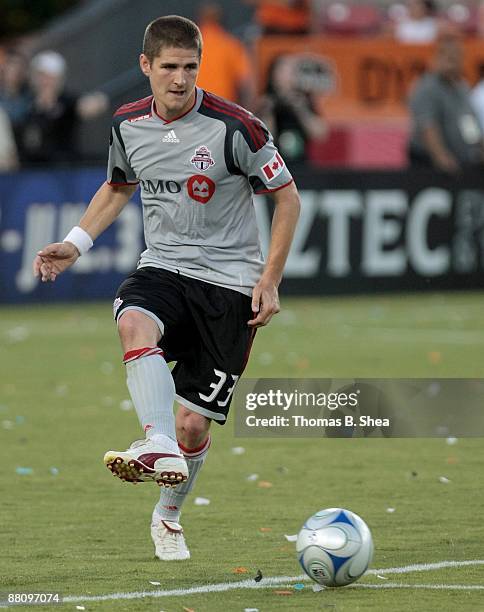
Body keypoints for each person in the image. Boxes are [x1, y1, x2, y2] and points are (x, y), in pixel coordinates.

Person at [33, 15, 300, 561]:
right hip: (165, 266)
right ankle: (155, 442)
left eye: (190, 68)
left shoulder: (237, 128)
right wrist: (75, 243)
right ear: (145, 67)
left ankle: (169, 513)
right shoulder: (128, 124)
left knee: (193, 426)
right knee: (133, 318)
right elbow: (118, 185)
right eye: (169, 68)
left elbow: (287, 196)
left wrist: (269, 279)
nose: (180, 80)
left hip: (229, 287)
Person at [407, 34, 484, 172]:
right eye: (448, 58)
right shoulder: (426, 88)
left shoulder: (462, 87)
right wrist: (440, 155)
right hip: (427, 160)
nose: (452, 63)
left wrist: (478, 145)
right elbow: (427, 125)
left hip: (458, 159)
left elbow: (468, 120)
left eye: (456, 58)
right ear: (436, 59)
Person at [17, 50, 108, 165]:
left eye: (49, 77)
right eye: (41, 76)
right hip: (33, 171)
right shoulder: (27, 105)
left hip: (64, 170)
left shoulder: (67, 102)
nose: (44, 81)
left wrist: (96, 101)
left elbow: (92, 105)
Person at [258, 54, 327, 164]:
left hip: (301, 163)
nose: (287, 76)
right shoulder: (266, 101)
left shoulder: (304, 99)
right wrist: (268, 111)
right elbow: (262, 140)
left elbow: (320, 134)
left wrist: (300, 109)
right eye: (283, 71)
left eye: (291, 71)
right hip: (275, 165)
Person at [196, 3, 255, 109]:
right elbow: (246, 81)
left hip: (196, 107)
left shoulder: (190, 45)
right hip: (224, 108)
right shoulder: (231, 44)